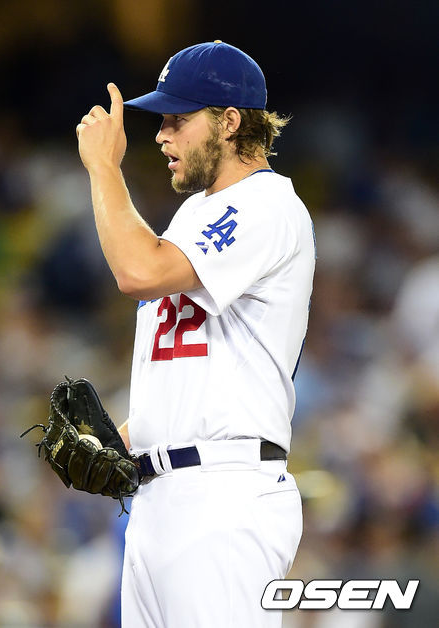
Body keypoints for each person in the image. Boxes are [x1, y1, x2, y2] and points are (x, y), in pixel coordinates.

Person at [76, 40, 315, 628]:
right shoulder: (196, 214)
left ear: (230, 122)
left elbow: (139, 271)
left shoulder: (267, 205)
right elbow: (194, 361)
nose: (161, 136)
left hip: (223, 496)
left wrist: (104, 168)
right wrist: (121, 440)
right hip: (161, 498)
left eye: (177, 120)